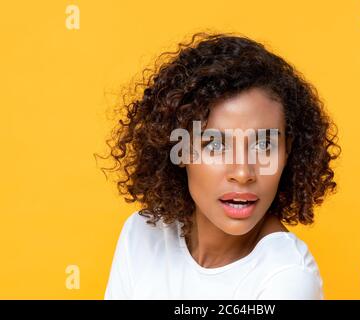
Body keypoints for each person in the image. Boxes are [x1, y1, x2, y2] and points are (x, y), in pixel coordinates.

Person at [99, 31, 341, 299]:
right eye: (215, 145)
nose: (242, 173)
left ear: (288, 152)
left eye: (264, 145)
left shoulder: (287, 278)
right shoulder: (142, 235)